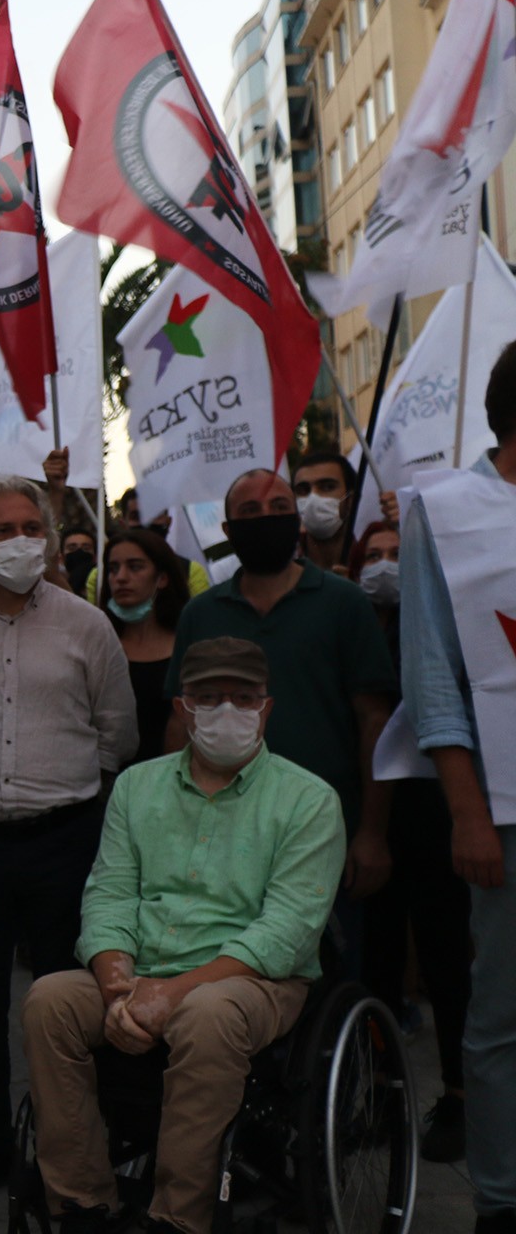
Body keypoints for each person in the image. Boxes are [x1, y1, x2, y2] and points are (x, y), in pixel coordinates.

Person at [22, 638, 343, 1234]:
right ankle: (82, 1203)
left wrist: (171, 995)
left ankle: (178, 1217)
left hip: (251, 980)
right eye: (209, 697)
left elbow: (287, 931)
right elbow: (111, 893)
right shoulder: (137, 787)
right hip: (142, 968)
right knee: (50, 1001)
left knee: (207, 1015)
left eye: (243, 699)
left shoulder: (308, 800)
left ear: (266, 708)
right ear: (182, 707)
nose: (227, 712)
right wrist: (119, 991)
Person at [0, 474, 138, 1209]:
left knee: (71, 1001)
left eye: (29, 528)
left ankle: (72, 1151)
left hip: (66, 842)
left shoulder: (87, 626)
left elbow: (117, 736)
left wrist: (50, 790)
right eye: (1, 531)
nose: (19, 542)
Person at [166, 468, 396, 970]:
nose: (265, 519)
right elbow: (178, 725)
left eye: (277, 509)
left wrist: (373, 833)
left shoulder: (345, 604)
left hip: (325, 835)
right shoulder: (201, 615)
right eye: (249, 512)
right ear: (228, 530)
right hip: (221, 840)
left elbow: (375, 723)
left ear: (297, 522)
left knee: (330, 978)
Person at [401, 340, 516, 1234]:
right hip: (506, 817)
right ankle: (501, 1199)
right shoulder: (443, 512)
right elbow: (434, 676)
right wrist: (468, 813)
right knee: (503, 1020)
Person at [348, 520, 473, 1163]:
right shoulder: (350, 621)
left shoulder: (446, 618)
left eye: (398, 554)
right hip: (369, 821)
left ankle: (457, 1093)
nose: (386, 565)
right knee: (372, 961)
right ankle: (371, 1095)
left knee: (448, 960)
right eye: (373, 555)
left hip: (434, 816)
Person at [99, 528, 189, 766]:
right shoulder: (97, 643)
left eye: (135, 566)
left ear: (162, 578)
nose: (120, 577)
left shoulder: (188, 646)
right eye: (113, 568)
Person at [292, 449, 359, 575]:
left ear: (350, 500)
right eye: (303, 490)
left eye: (327, 487)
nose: (313, 498)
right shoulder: (281, 568)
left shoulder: (372, 560)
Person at [60, 525, 98, 596]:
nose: (79, 552)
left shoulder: (100, 586)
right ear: (61, 557)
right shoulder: (56, 588)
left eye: (86, 548)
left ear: (95, 557)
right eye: (72, 548)